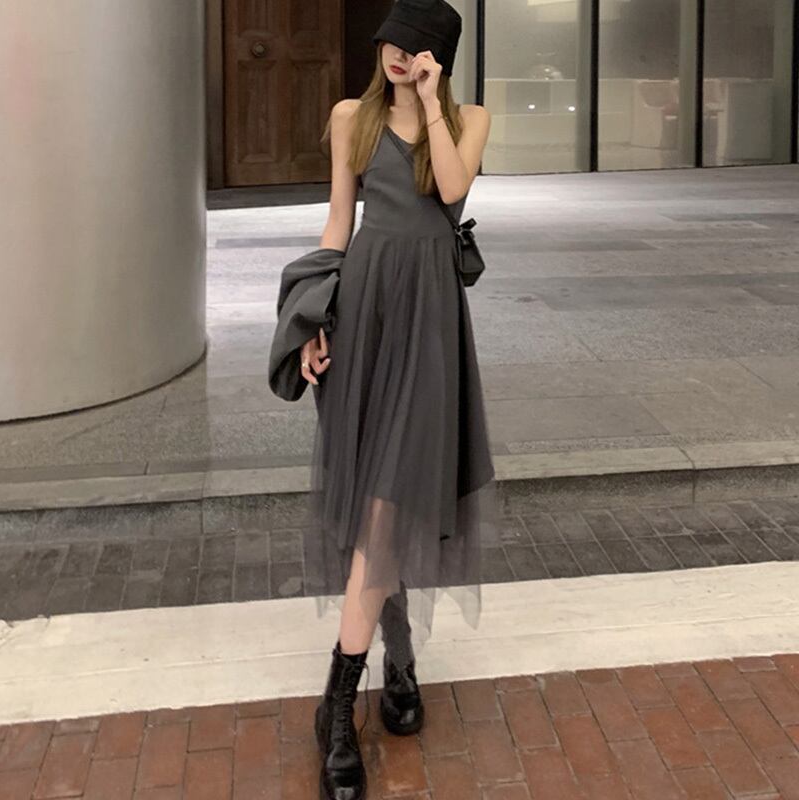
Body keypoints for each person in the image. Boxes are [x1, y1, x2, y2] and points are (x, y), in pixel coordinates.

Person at [269, 2, 497, 798]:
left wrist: (430, 104)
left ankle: (340, 696)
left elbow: (451, 189)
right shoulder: (350, 117)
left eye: (418, 47)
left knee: (390, 500)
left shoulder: (468, 119)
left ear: (440, 59)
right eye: (393, 41)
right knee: (377, 500)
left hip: (429, 322)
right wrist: (312, 319)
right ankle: (392, 666)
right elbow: (338, 224)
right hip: (364, 314)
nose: (399, 54)